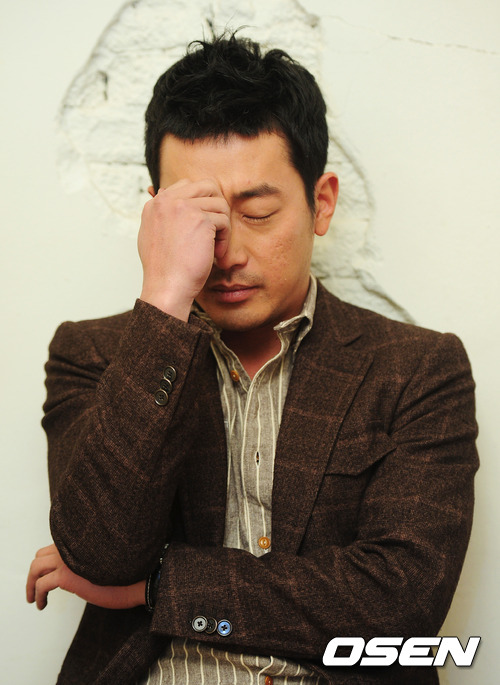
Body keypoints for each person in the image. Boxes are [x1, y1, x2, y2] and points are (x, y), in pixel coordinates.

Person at [26, 34, 479, 684]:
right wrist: (165, 298)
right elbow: (100, 553)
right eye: (199, 216)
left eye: (258, 212)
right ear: (157, 213)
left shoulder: (417, 369)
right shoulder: (92, 354)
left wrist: (159, 585)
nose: (228, 252)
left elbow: (401, 601)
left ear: (321, 202)